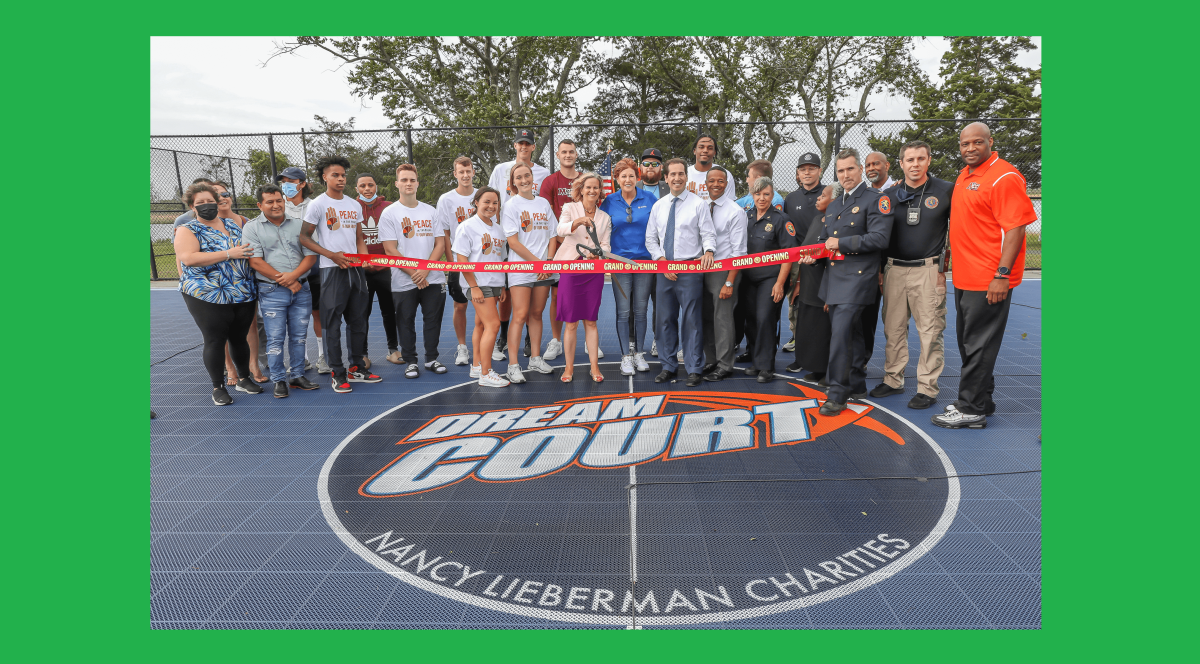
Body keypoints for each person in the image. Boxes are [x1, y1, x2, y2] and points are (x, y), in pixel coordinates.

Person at [931, 123, 1038, 429]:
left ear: (991, 142)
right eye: (965, 144)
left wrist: (1002, 275)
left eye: (978, 142)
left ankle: (970, 409)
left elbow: (1016, 228)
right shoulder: (965, 176)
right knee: (969, 342)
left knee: (978, 343)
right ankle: (982, 400)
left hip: (989, 278)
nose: (970, 148)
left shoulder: (1004, 176)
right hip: (966, 278)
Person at [868, 140, 954, 409]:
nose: (915, 164)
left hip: (928, 270)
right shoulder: (890, 195)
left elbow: (959, 231)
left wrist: (944, 268)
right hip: (894, 268)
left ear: (929, 160)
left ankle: (927, 388)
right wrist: (882, 270)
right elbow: (881, 236)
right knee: (893, 329)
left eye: (920, 159)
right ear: (901, 163)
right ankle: (894, 379)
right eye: (910, 160)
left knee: (930, 331)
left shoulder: (947, 190)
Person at [814, 149, 894, 416]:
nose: (845, 175)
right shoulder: (835, 204)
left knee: (840, 335)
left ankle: (837, 393)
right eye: (840, 171)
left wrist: (842, 243)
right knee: (854, 334)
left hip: (859, 279)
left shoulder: (876, 199)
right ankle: (856, 384)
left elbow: (880, 239)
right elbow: (827, 241)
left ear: (860, 170)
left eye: (850, 169)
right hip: (835, 279)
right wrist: (812, 256)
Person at [173, 183, 263, 406]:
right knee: (214, 339)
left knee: (239, 337)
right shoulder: (188, 229)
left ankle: (244, 378)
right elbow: (189, 258)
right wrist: (228, 254)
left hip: (241, 290)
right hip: (207, 293)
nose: (206, 206)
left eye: (209, 201)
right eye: (200, 203)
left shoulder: (233, 225)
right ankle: (218, 387)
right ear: (192, 207)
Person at [299, 156, 382, 394]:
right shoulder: (317, 204)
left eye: (343, 175)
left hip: (355, 270)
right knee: (332, 323)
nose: (341, 178)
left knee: (358, 320)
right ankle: (337, 371)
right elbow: (304, 238)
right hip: (331, 269)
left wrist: (364, 258)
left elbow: (359, 238)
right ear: (324, 177)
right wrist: (332, 255)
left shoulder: (354, 205)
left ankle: (357, 367)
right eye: (335, 175)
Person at [242, 183, 321, 398]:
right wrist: (286, 280)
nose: (276, 205)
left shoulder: (299, 225)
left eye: (279, 200)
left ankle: (296, 376)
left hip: (301, 290)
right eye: (270, 201)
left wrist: (294, 278)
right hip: (271, 291)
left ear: (284, 201)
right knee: (276, 338)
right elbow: (255, 262)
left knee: (299, 337)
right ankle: (278, 380)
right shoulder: (251, 228)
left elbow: (311, 255)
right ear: (260, 204)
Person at [646, 158, 717, 387]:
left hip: (689, 271)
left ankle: (694, 368)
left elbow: (708, 234)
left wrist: (708, 250)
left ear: (686, 177)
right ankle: (668, 366)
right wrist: (661, 260)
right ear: (665, 178)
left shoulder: (699, 204)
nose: (677, 178)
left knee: (692, 321)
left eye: (681, 174)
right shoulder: (659, 206)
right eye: (672, 174)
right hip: (664, 270)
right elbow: (650, 239)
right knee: (665, 320)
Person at [378, 164, 448, 380]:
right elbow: (390, 249)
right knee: (405, 320)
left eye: (412, 180)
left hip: (432, 277)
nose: (408, 183)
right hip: (403, 279)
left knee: (432, 320)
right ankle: (410, 361)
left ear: (418, 183)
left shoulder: (431, 211)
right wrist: (413, 273)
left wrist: (425, 269)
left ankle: (431, 358)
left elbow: (440, 244)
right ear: (397, 183)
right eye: (404, 180)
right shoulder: (389, 213)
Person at [553, 173, 613, 383]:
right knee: (570, 323)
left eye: (596, 188)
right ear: (581, 189)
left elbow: (606, 245)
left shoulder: (605, 217)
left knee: (591, 321)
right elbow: (559, 230)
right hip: (571, 268)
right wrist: (577, 222)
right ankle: (568, 368)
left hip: (592, 271)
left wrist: (598, 252)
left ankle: (594, 367)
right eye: (588, 187)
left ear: (600, 191)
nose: (592, 191)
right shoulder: (570, 208)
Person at [739, 177, 799, 383]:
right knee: (752, 320)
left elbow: (789, 254)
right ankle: (756, 361)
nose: (762, 198)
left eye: (766, 194)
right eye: (758, 194)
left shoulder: (782, 220)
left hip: (771, 279)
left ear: (772, 196)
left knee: (765, 318)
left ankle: (766, 366)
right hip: (748, 279)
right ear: (752, 195)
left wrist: (780, 284)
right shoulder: (745, 217)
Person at [600, 157, 656, 375]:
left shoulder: (649, 198)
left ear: (637, 177)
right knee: (624, 311)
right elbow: (602, 228)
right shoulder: (609, 201)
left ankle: (639, 353)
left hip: (644, 262)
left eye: (631, 175)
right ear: (617, 179)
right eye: (623, 176)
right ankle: (625, 357)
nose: (627, 179)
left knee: (641, 311)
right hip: (619, 262)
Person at [503, 163, 557, 383]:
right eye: (519, 177)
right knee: (520, 315)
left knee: (537, 313)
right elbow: (513, 242)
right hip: (522, 269)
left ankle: (535, 357)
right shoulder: (510, 206)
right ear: (513, 182)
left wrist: (549, 262)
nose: (524, 180)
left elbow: (553, 235)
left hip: (543, 270)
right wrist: (538, 264)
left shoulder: (543, 203)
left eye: (527, 175)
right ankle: (513, 365)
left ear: (532, 178)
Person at [452, 187, 510, 387]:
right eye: (486, 202)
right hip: (478, 284)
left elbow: (499, 259)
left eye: (495, 203)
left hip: (494, 283)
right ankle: (486, 373)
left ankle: (477, 365)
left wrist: (502, 285)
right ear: (476, 202)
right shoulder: (467, 227)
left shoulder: (499, 228)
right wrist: (473, 286)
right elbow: (461, 259)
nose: (491, 206)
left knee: (481, 325)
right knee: (493, 325)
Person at [212, 181, 267, 385]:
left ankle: (253, 364)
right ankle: (230, 367)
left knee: (251, 325)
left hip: (246, 281)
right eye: (216, 195)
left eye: (225, 193)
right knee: (222, 329)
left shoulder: (246, 222)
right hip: (219, 285)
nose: (222, 198)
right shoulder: (205, 225)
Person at [277, 166, 328, 374]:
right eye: (284, 182)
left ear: (302, 184)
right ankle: (302, 359)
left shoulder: (315, 206)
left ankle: (324, 357)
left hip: (315, 268)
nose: (287, 186)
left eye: (291, 181)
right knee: (295, 317)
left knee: (318, 314)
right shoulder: (279, 208)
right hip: (287, 271)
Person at [699, 167, 747, 382]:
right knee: (706, 317)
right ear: (706, 183)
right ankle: (711, 359)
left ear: (726, 184)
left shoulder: (735, 211)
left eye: (720, 181)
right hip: (701, 270)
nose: (716, 184)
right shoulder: (701, 206)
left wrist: (729, 281)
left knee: (723, 319)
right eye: (712, 181)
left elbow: (739, 252)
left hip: (723, 271)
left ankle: (725, 364)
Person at [537, 140, 581, 361]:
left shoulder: (584, 180)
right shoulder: (550, 181)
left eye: (571, 151)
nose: (568, 155)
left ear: (576, 154)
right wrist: (555, 243)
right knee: (557, 295)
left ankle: (586, 339)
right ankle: (556, 340)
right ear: (558, 154)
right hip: (558, 245)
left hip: (582, 246)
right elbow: (545, 214)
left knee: (583, 293)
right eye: (564, 152)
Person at [786, 185, 835, 381]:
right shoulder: (817, 220)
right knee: (810, 327)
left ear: (834, 200)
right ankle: (814, 367)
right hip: (807, 282)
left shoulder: (836, 223)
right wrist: (798, 281)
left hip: (824, 283)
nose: (818, 198)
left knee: (824, 329)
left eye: (823, 196)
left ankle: (827, 371)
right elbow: (804, 251)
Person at [781, 152, 825, 352]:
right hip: (797, 261)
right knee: (796, 302)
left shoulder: (829, 194)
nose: (807, 172)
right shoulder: (790, 198)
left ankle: (821, 345)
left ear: (820, 170)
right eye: (803, 169)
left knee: (821, 303)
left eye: (812, 168)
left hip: (823, 259)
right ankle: (798, 340)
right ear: (798, 173)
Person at [436, 156, 477, 366]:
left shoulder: (481, 196)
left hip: (480, 262)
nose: (465, 175)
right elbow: (444, 232)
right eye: (461, 172)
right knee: (460, 306)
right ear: (455, 174)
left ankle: (483, 345)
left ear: (473, 172)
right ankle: (462, 347)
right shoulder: (446, 199)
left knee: (483, 306)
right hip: (457, 262)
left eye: (468, 171)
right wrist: (453, 264)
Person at [356, 172, 399, 367]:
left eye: (370, 185)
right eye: (363, 186)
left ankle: (393, 349)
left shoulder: (388, 208)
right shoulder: (352, 208)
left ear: (376, 187)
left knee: (389, 310)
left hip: (385, 270)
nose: (367, 189)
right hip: (361, 270)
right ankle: (363, 354)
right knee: (362, 312)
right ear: (356, 189)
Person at [489, 128, 552, 206]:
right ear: (515, 145)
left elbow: (545, 201)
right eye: (521, 143)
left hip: (531, 216)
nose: (524, 147)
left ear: (533, 147)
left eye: (527, 144)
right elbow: (490, 196)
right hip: (506, 216)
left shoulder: (544, 173)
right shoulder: (500, 169)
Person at [686, 133, 737, 204]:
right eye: (701, 147)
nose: (705, 150)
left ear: (714, 152)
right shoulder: (684, 173)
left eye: (710, 148)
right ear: (694, 151)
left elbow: (730, 204)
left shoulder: (725, 174)